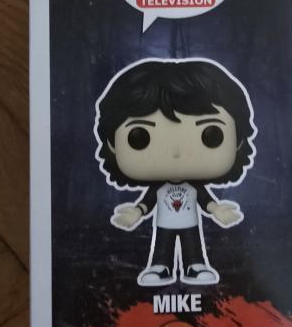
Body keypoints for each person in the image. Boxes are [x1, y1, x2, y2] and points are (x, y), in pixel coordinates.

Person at [94, 58, 256, 286]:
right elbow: (148, 202)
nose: (176, 153)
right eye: (140, 137)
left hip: (190, 224)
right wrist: (136, 213)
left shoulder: (194, 186)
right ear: (112, 143)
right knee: (163, 245)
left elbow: (205, 200)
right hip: (164, 224)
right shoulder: (158, 187)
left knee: (193, 245)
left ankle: (195, 265)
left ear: (238, 140)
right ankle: (160, 266)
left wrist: (217, 210)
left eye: (211, 135)